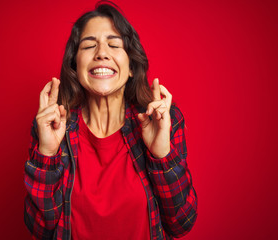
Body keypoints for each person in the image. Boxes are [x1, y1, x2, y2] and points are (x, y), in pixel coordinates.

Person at [24, 2, 197, 239]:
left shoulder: (162, 121)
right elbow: (40, 229)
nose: (101, 53)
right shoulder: (53, 128)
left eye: (114, 44)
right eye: (89, 46)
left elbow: (181, 223)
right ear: (75, 65)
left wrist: (162, 155)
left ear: (131, 68)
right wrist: (46, 153)